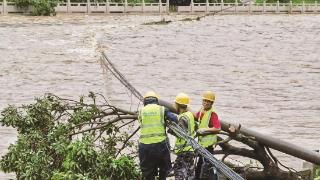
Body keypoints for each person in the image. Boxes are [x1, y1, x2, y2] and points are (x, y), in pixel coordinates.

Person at [138, 91, 177, 180]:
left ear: (145, 101)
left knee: (148, 172)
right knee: (164, 168)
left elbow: (140, 122)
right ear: (156, 100)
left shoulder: (141, 111)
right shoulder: (162, 109)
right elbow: (175, 119)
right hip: (160, 145)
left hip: (145, 146)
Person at [195, 91, 221, 180]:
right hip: (202, 145)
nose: (206, 103)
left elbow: (217, 128)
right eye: (204, 100)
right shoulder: (202, 110)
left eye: (208, 101)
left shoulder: (212, 113)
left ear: (211, 103)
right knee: (201, 166)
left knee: (206, 167)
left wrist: (205, 130)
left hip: (208, 146)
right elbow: (195, 116)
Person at [173, 93, 196, 180]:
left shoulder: (182, 118)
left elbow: (181, 134)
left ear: (177, 105)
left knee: (179, 171)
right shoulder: (190, 115)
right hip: (190, 148)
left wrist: (171, 128)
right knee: (190, 172)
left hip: (184, 150)